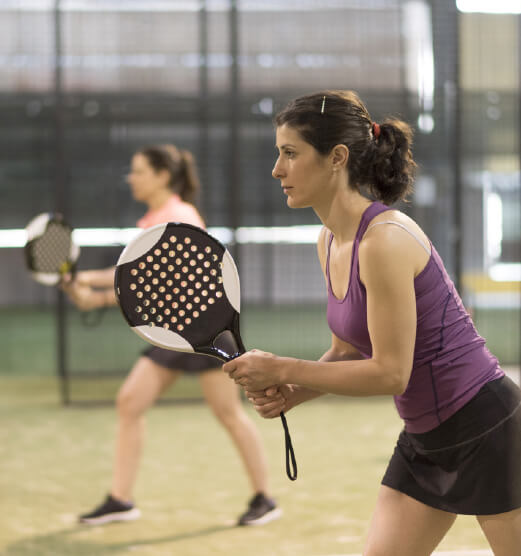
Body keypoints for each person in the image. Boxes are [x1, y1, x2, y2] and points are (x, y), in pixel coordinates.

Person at [223, 91, 521, 555]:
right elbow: (346, 350)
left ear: (336, 158)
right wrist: (293, 395)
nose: (278, 169)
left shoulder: (384, 240)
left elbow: (389, 372)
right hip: (425, 439)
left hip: (488, 428)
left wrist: (281, 369)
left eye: (290, 153)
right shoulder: (329, 241)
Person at [63, 144, 281, 527]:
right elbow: (146, 292)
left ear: (163, 176)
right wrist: (94, 299)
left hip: (202, 332)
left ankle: (264, 497)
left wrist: (84, 280)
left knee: (228, 414)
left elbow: (145, 278)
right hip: (174, 334)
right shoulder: (154, 220)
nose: (131, 178)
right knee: (131, 402)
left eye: (139, 171)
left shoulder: (178, 217)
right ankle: (121, 500)